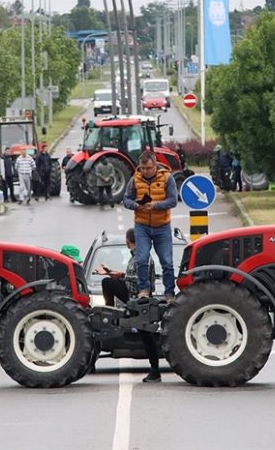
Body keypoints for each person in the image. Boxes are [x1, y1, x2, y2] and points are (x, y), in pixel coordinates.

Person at [97, 228, 160, 383]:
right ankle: (155, 370)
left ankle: (155, 370)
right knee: (108, 281)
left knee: (146, 335)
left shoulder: (141, 257)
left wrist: (121, 276)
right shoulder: (136, 256)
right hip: (133, 298)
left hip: (140, 300)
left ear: (128, 242)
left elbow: (141, 278)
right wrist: (113, 273)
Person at [123, 151, 177, 302]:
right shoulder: (135, 179)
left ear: (155, 165)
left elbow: (173, 201)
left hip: (162, 226)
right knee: (141, 259)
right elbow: (126, 199)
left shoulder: (167, 178)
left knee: (167, 261)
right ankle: (144, 289)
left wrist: (156, 205)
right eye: (142, 168)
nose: (145, 171)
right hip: (142, 226)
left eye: (148, 168)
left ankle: (169, 293)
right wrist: (136, 205)